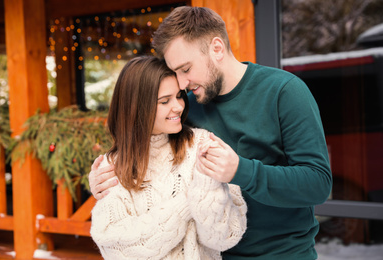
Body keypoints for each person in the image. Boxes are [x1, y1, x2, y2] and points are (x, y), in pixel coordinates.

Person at [89, 6, 332, 260]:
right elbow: (150, 156)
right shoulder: (185, 109)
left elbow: (317, 184)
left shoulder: (284, 92)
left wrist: (241, 171)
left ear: (216, 48)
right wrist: (106, 184)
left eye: (185, 69)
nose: (182, 85)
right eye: (176, 73)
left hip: (283, 254)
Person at [90, 55, 247, 260]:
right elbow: (118, 250)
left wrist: (208, 186)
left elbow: (226, 237)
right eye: (165, 101)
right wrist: (189, 202)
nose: (179, 107)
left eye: (180, 96)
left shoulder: (203, 145)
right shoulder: (113, 166)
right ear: (137, 107)